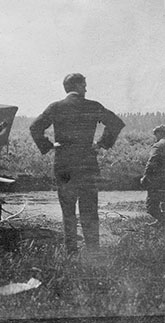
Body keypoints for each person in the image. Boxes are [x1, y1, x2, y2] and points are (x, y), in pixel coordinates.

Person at [30, 73, 125, 254]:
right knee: (89, 209)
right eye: (84, 85)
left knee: (68, 211)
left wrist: (49, 146)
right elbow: (116, 123)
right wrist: (101, 144)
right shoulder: (92, 106)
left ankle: (71, 251)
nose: (86, 89)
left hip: (64, 164)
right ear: (78, 86)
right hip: (87, 163)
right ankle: (93, 251)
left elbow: (35, 127)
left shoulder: (56, 107)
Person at [140, 125, 165, 227]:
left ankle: (162, 221)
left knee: (151, 206)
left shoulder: (159, 145)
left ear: (160, 133)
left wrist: (145, 176)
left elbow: (152, 162)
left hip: (158, 179)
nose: (155, 136)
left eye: (156, 134)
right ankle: (161, 222)